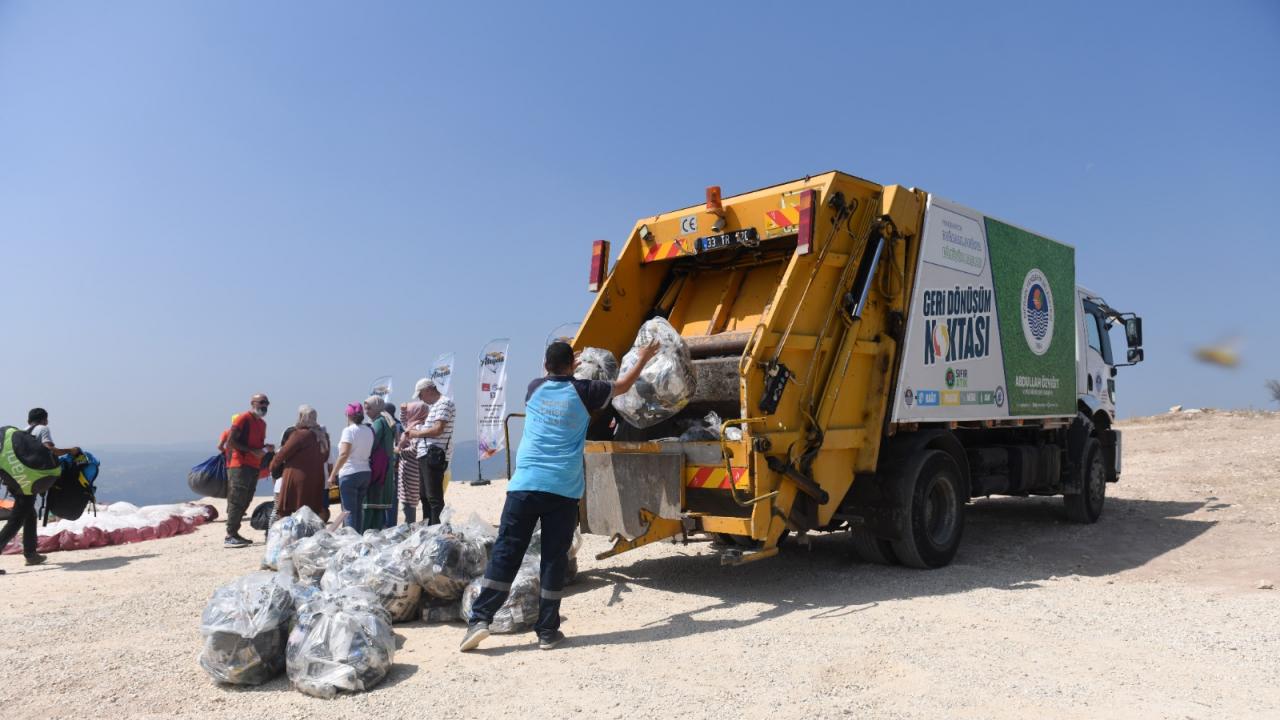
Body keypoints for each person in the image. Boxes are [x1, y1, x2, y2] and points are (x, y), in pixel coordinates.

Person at [460, 339, 659, 652]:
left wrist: (567, 365)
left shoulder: (534, 388)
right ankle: (548, 632)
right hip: (562, 489)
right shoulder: (585, 391)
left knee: (507, 551)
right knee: (553, 558)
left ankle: (480, 619)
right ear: (572, 365)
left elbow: (552, 372)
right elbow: (622, 385)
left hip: (524, 486)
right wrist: (644, 357)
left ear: (546, 366)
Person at [0, 421, 67, 571]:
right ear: (45, 419)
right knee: (16, 520)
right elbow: (49, 448)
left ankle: (31, 554)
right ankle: (30, 553)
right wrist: (70, 451)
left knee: (29, 514)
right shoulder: (42, 429)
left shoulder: (22, 431)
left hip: (15, 479)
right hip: (27, 481)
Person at [224, 394, 274, 549]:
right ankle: (230, 535)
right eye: (261, 403)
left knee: (246, 499)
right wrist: (253, 451)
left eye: (266, 403)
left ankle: (234, 533)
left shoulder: (262, 424)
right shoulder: (243, 419)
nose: (264, 406)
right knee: (237, 499)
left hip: (254, 466)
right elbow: (230, 441)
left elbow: (256, 445)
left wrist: (265, 448)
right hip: (240, 465)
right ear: (252, 403)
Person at [405, 378, 455, 525]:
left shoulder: (444, 403)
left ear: (428, 390)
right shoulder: (435, 406)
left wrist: (416, 434)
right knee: (425, 496)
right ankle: (428, 528)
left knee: (433, 497)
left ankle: (436, 530)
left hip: (433, 454)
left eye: (420, 395)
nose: (421, 399)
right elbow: (434, 428)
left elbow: (438, 429)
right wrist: (418, 431)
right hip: (426, 454)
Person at [269, 405, 330, 521]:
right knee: (310, 513)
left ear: (301, 417)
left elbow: (283, 453)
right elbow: (325, 457)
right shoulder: (323, 436)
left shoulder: (300, 435)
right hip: (316, 478)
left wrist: (272, 466)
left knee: (286, 511)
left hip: (297, 479)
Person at [328, 402, 374, 532]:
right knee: (358, 509)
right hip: (365, 472)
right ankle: (357, 536)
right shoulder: (369, 430)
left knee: (348, 511)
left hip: (350, 473)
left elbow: (344, 454)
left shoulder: (348, 431)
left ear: (348, 415)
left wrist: (332, 475)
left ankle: (350, 540)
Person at [361, 396, 397, 532]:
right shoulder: (388, 421)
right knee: (379, 507)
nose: (366, 411)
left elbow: (371, 442)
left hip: (377, 469)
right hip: (385, 468)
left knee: (369, 505)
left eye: (369, 408)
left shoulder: (378, 423)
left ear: (376, 407)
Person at [397, 401, 427, 524]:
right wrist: (403, 411)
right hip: (409, 469)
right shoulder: (413, 425)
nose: (409, 414)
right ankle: (410, 526)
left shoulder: (418, 428)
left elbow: (414, 450)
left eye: (410, 411)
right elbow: (405, 422)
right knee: (406, 501)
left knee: (409, 502)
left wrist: (399, 450)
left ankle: (410, 527)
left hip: (412, 470)